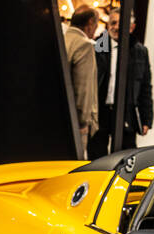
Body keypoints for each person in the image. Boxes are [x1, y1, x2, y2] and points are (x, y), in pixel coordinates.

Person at [89, 8, 154, 157]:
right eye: (113, 23)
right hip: (100, 110)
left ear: (131, 27)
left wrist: (146, 118)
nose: (116, 27)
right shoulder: (97, 45)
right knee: (96, 157)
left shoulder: (140, 51)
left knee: (126, 158)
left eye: (121, 23)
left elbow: (145, 86)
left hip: (127, 112)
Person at [65, 6, 99, 157]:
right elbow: (83, 90)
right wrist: (83, 122)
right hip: (76, 127)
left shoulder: (63, 40)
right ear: (90, 23)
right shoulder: (84, 45)